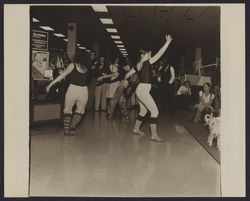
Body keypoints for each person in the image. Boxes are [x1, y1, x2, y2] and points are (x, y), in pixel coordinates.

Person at [124, 34, 173, 142]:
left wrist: (125, 81)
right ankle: (154, 135)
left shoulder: (138, 64)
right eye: (148, 54)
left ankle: (136, 129)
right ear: (143, 55)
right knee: (155, 111)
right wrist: (167, 42)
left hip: (141, 89)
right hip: (143, 90)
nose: (150, 55)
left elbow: (126, 75)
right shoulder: (147, 63)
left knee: (143, 111)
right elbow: (160, 53)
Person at [46, 52, 90, 135]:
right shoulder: (86, 68)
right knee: (80, 111)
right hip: (84, 90)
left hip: (73, 89)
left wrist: (50, 84)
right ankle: (72, 127)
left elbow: (62, 75)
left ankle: (66, 130)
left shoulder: (72, 65)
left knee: (68, 110)